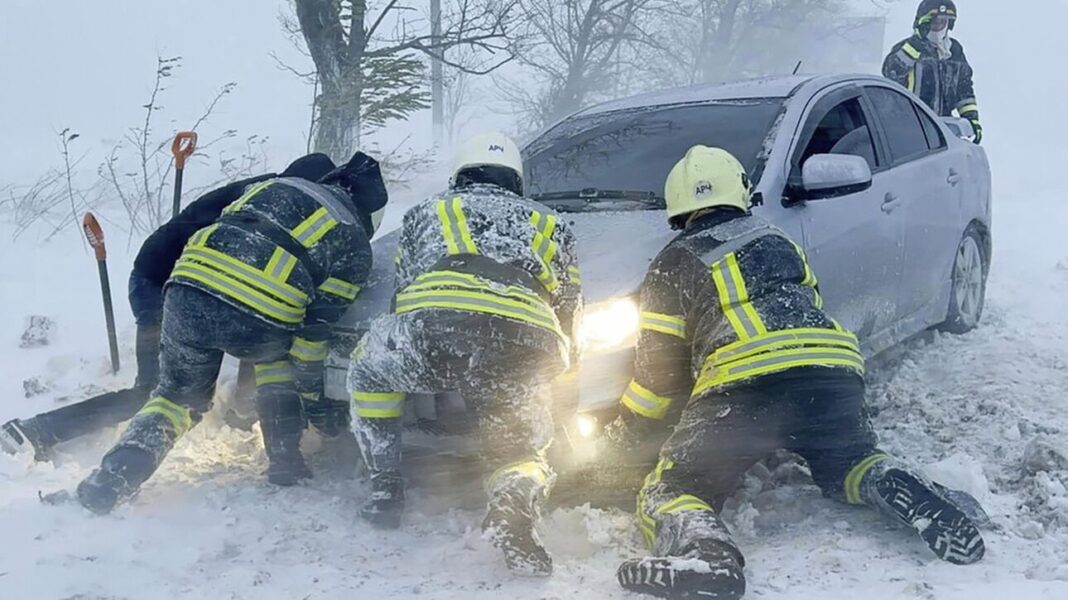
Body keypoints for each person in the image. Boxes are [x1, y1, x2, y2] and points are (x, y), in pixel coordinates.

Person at [603, 146, 986, 599]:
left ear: (678, 208)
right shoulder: (778, 241)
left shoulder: (673, 263)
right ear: (739, 192)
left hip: (744, 384)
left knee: (673, 488)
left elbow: (659, 380)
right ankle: (892, 482)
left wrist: (623, 437)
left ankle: (708, 557)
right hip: (833, 371)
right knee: (848, 461)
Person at [74, 151, 388, 515]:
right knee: (277, 360)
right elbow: (312, 337)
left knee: (175, 398)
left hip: (185, 293)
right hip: (258, 316)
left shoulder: (272, 187)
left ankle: (113, 478)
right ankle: (285, 462)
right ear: (369, 214)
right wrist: (315, 402)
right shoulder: (353, 241)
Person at [346, 133, 582, 576]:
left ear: (458, 175)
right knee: (520, 446)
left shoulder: (428, 211)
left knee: (369, 371)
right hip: (524, 338)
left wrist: (422, 354)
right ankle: (513, 502)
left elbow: (403, 293)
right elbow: (569, 309)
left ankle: (385, 486)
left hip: (438, 326)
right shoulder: (552, 223)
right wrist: (559, 376)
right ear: (516, 179)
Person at [0, 155, 338, 460]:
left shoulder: (269, 195)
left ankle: (242, 410)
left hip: (190, 284)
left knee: (260, 321)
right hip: (161, 285)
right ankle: (36, 430)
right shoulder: (269, 202)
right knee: (153, 391)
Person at [883, 0, 982, 143]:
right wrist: (915, 45)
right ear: (924, 23)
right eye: (934, 22)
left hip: (943, 131)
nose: (938, 26)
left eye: (943, 22)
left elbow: (964, 90)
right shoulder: (907, 48)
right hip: (909, 128)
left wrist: (972, 120)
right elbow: (891, 72)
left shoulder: (954, 51)